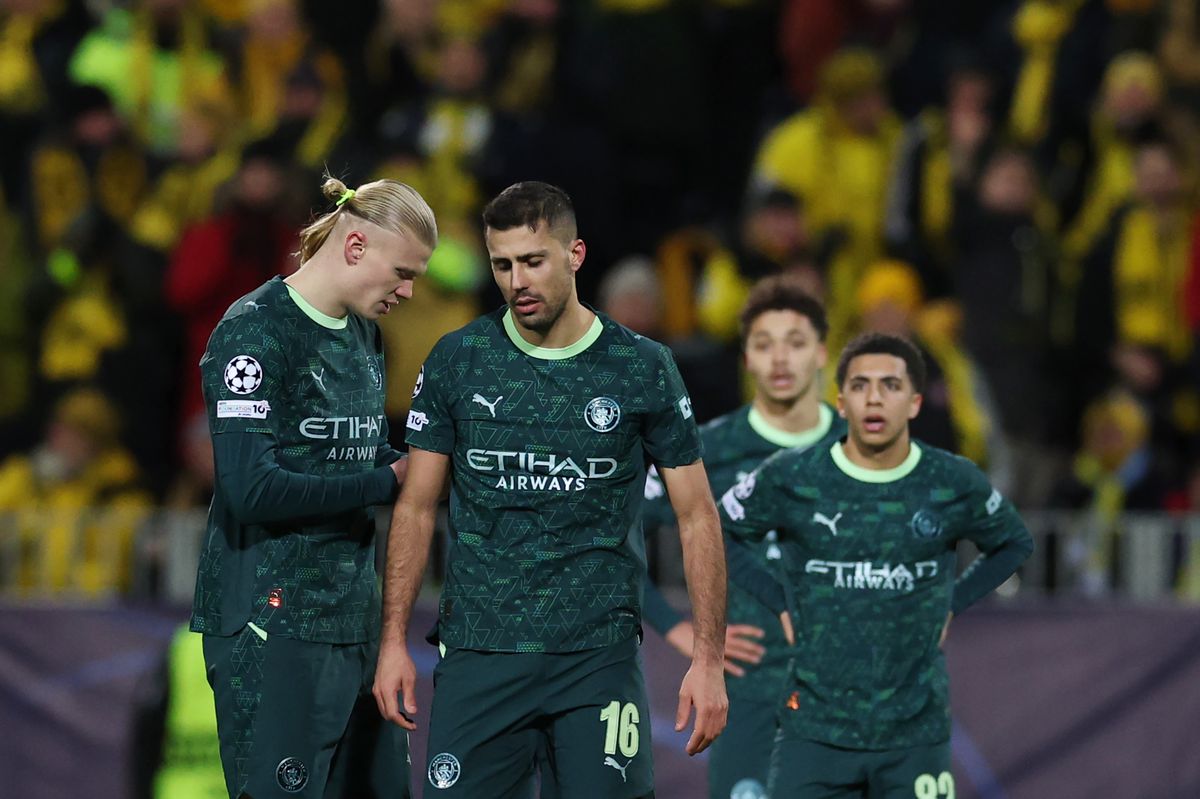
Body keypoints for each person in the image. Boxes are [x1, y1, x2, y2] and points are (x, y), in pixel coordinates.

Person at [373, 181, 728, 797]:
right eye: (502, 265)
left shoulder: (640, 368)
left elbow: (696, 514)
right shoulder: (459, 359)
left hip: (597, 660)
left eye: (533, 261)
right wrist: (393, 642)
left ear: (575, 255)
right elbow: (416, 505)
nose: (518, 282)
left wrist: (709, 660)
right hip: (479, 654)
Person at [191, 175, 437, 798]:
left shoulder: (364, 335)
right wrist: (385, 480)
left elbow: (350, 450)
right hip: (272, 628)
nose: (408, 291)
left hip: (355, 622)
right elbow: (251, 489)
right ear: (355, 246)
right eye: (402, 272)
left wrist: (430, 463)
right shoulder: (255, 332)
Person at [718, 332, 1034, 798]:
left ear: (915, 403)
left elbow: (1014, 543)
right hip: (814, 730)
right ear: (841, 402)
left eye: (890, 386)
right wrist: (778, 601)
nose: (874, 398)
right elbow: (718, 532)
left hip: (914, 734)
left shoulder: (950, 481)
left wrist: (953, 602)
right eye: (861, 385)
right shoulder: (795, 476)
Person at [640, 275, 846, 799]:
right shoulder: (705, 450)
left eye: (795, 343)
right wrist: (680, 630)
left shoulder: (861, 450)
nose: (780, 359)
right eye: (763, 344)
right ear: (747, 359)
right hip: (748, 695)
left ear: (822, 353)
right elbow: (612, 538)